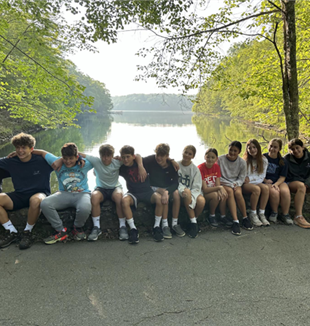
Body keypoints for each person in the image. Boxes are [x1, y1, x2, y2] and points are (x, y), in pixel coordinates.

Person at [79, 144, 146, 242]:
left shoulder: (118, 162)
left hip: (115, 187)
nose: (105, 159)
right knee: (94, 197)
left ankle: (122, 226)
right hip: (101, 188)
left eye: (108, 156)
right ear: (100, 155)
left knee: (119, 197)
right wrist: (79, 159)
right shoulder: (96, 160)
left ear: (112, 156)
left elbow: (137, 156)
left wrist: (140, 166)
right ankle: (96, 228)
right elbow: (78, 153)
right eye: (103, 156)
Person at [0, 133, 53, 249]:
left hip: (39, 193)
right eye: (18, 148)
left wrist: (42, 152)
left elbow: (62, 161)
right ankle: (11, 231)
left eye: (24, 147)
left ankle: (27, 232)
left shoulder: (42, 160)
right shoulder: (11, 161)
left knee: (35, 200)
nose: (20, 151)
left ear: (31, 149)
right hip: (19, 195)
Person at [38, 143, 93, 244]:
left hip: (82, 194)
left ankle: (77, 228)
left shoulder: (84, 163)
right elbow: (41, 152)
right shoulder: (57, 162)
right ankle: (61, 231)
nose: (68, 161)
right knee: (45, 203)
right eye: (65, 158)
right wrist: (17, 153)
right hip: (63, 194)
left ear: (76, 157)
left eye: (71, 158)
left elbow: (98, 159)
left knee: (85, 208)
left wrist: (80, 156)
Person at [119, 145, 163, 243]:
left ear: (133, 156)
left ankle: (156, 227)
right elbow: (107, 165)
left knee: (159, 199)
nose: (125, 160)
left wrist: (172, 160)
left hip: (148, 192)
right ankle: (133, 229)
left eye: (128, 157)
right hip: (133, 193)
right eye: (123, 157)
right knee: (124, 201)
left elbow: (159, 156)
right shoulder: (121, 167)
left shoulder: (143, 162)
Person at [143, 143, 180, 240]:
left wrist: (167, 191)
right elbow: (136, 158)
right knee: (164, 197)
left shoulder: (172, 166)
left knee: (176, 194)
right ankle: (164, 225)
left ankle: (174, 224)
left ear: (167, 156)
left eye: (162, 156)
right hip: (153, 187)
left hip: (166, 189)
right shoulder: (151, 160)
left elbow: (176, 183)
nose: (158, 158)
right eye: (157, 155)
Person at [218, 141, 253, 236]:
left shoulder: (242, 162)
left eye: (235, 151)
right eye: (231, 150)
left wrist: (236, 184)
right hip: (224, 182)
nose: (232, 153)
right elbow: (218, 176)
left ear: (239, 151)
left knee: (238, 193)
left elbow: (242, 177)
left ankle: (245, 218)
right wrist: (229, 184)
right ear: (228, 148)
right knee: (229, 192)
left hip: (236, 183)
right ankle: (235, 221)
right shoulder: (220, 159)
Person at [198, 148, 231, 228]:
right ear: (204, 157)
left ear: (216, 159)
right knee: (216, 195)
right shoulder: (200, 168)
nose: (210, 159)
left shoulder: (216, 167)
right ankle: (211, 215)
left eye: (213, 157)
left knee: (223, 194)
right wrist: (219, 188)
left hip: (213, 190)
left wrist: (219, 189)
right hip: (202, 193)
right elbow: (205, 189)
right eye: (208, 157)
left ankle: (223, 216)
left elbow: (217, 183)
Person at [177, 145, 206, 238]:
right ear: (182, 152)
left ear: (193, 156)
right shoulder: (177, 165)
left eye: (190, 154)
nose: (187, 155)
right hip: (180, 192)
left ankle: (192, 221)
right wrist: (183, 191)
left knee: (201, 201)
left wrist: (192, 198)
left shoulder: (195, 169)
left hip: (193, 192)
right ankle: (194, 224)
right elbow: (175, 182)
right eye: (185, 152)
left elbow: (197, 186)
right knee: (187, 193)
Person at [263, 138, 292, 224]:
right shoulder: (263, 158)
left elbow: (283, 177)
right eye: (271, 146)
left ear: (279, 149)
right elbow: (258, 173)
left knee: (285, 192)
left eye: (275, 147)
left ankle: (285, 214)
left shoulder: (283, 161)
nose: (272, 149)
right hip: (266, 181)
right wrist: (265, 180)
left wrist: (276, 184)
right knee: (274, 192)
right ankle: (274, 213)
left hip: (279, 181)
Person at [242, 139, 270, 226]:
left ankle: (261, 213)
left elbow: (262, 176)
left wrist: (250, 179)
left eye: (254, 147)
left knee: (265, 188)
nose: (252, 150)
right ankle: (253, 213)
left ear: (258, 148)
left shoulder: (263, 160)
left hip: (257, 181)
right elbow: (244, 176)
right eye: (249, 148)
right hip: (246, 184)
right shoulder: (244, 161)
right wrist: (248, 179)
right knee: (256, 189)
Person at [284, 138, 310, 228]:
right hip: (292, 182)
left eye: (297, 148)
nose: (295, 151)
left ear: (302, 147)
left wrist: (308, 183)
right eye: (292, 149)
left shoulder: (309, 157)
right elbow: (284, 174)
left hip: (306, 181)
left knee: (303, 185)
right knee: (301, 186)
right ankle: (298, 216)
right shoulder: (287, 159)